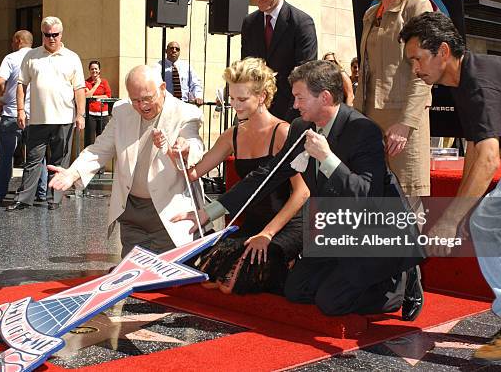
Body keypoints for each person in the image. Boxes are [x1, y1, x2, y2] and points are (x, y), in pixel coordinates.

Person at [174, 60, 424, 319]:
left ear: (324, 97)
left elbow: (366, 195)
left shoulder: (363, 130)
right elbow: (267, 174)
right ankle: (349, 277)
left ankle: (398, 281)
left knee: (331, 303)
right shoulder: (301, 128)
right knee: (296, 290)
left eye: (299, 98)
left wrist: (328, 159)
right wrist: (209, 211)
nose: (294, 105)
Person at [399, 11, 501, 364]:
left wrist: (452, 219)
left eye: (417, 59)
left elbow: (488, 158)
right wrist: (458, 209)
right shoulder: (465, 82)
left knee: (490, 221)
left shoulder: (479, 80)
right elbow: (474, 147)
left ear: (441, 51)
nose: (415, 69)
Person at [48, 65, 204, 257]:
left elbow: (194, 143)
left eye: (147, 98)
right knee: (133, 274)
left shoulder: (186, 113)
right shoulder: (122, 111)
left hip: (169, 213)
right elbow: (100, 148)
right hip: (131, 212)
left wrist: (186, 147)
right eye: (135, 100)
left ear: (163, 88)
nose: (142, 106)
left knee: (168, 279)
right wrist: (73, 173)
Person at [184, 57, 309, 294]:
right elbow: (193, 173)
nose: (235, 105)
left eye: (242, 99)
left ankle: (292, 263)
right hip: (253, 222)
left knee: (233, 284)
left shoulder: (283, 132)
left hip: (287, 223)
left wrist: (268, 233)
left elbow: (302, 193)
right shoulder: (232, 135)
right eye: (231, 98)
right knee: (211, 275)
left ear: (262, 96)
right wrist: (175, 151)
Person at [354, 0, 433, 200]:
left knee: (407, 203)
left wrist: (406, 123)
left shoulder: (416, 7)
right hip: (370, 120)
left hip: (403, 121)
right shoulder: (369, 14)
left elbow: (423, 71)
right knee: (375, 198)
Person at [6, 16, 86, 212]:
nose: (51, 38)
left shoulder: (72, 57)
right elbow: (21, 84)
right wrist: (20, 111)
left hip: (64, 119)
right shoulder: (31, 56)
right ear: (42, 34)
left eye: (55, 35)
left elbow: (79, 88)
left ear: (61, 34)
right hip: (37, 120)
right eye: (47, 34)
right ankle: (24, 200)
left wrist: (80, 114)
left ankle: (55, 200)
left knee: (59, 162)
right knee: (32, 161)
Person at [241, 0, 318, 122]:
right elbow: (247, 70)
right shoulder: (249, 23)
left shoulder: (302, 23)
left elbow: (304, 77)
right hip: (256, 114)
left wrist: (289, 121)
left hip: (290, 114)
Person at [0, 30, 48, 206]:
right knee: (37, 157)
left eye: (13, 41)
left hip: (11, 114)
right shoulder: (40, 58)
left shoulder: (11, 58)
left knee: (6, 156)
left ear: (18, 41)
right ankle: (42, 192)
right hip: (35, 115)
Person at [84, 60, 113, 147]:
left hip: (103, 114)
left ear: (99, 70)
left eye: (96, 69)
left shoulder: (104, 82)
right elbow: (86, 95)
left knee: (103, 139)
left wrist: (94, 97)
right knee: (90, 140)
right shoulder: (86, 82)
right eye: (92, 69)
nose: (94, 71)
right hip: (91, 115)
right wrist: (96, 85)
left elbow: (108, 96)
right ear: (89, 70)